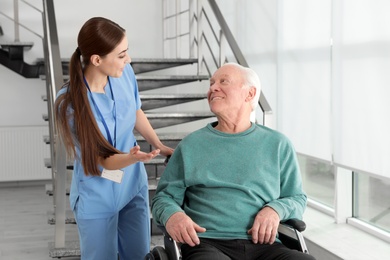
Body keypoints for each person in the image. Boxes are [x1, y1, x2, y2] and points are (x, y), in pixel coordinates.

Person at [151, 62, 316, 260]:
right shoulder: (190, 145)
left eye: (223, 81)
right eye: (211, 83)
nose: (213, 87)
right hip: (206, 243)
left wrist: (275, 210)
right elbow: (163, 198)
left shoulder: (278, 144)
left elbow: (297, 198)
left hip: (264, 244)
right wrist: (173, 216)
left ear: (250, 94)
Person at [55, 17, 174, 260]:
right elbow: (104, 161)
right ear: (97, 60)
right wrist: (132, 157)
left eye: (127, 52)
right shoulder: (70, 103)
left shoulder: (124, 73)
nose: (127, 60)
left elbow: (135, 110)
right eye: (121, 55)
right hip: (97, 191)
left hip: (132, 186)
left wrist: (158, 144)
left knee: (139, 255)